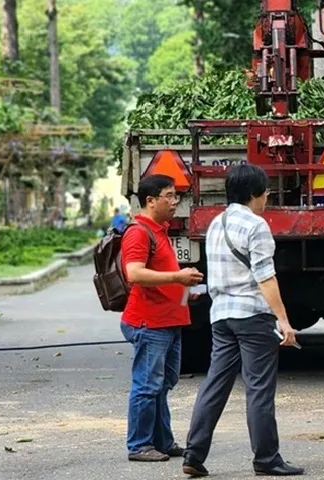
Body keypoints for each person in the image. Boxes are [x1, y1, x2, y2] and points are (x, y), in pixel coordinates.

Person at [182, 163, 304, 477]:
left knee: (215, 384)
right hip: (252, 316)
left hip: (221, 316)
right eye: (265, 192)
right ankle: (266, 458)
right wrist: (284, 320)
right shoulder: (256, 225)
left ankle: (193, 455)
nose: (267, 198)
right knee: (259, 389)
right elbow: (265, 277)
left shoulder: (215, 225)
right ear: (254, 194)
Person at [120, 174, 204, 462]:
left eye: (175, 196)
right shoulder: (139, 232)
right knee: (147, 385)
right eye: (169, 196)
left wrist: (182, 288)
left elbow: (159, 275)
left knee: (163, 384)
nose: (174, 202)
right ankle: (139, 445)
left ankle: (163, 441)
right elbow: (134, 273)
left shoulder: (160, 230)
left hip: (169, 321)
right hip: (150, 322)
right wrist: (177, 276)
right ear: (150, 200)